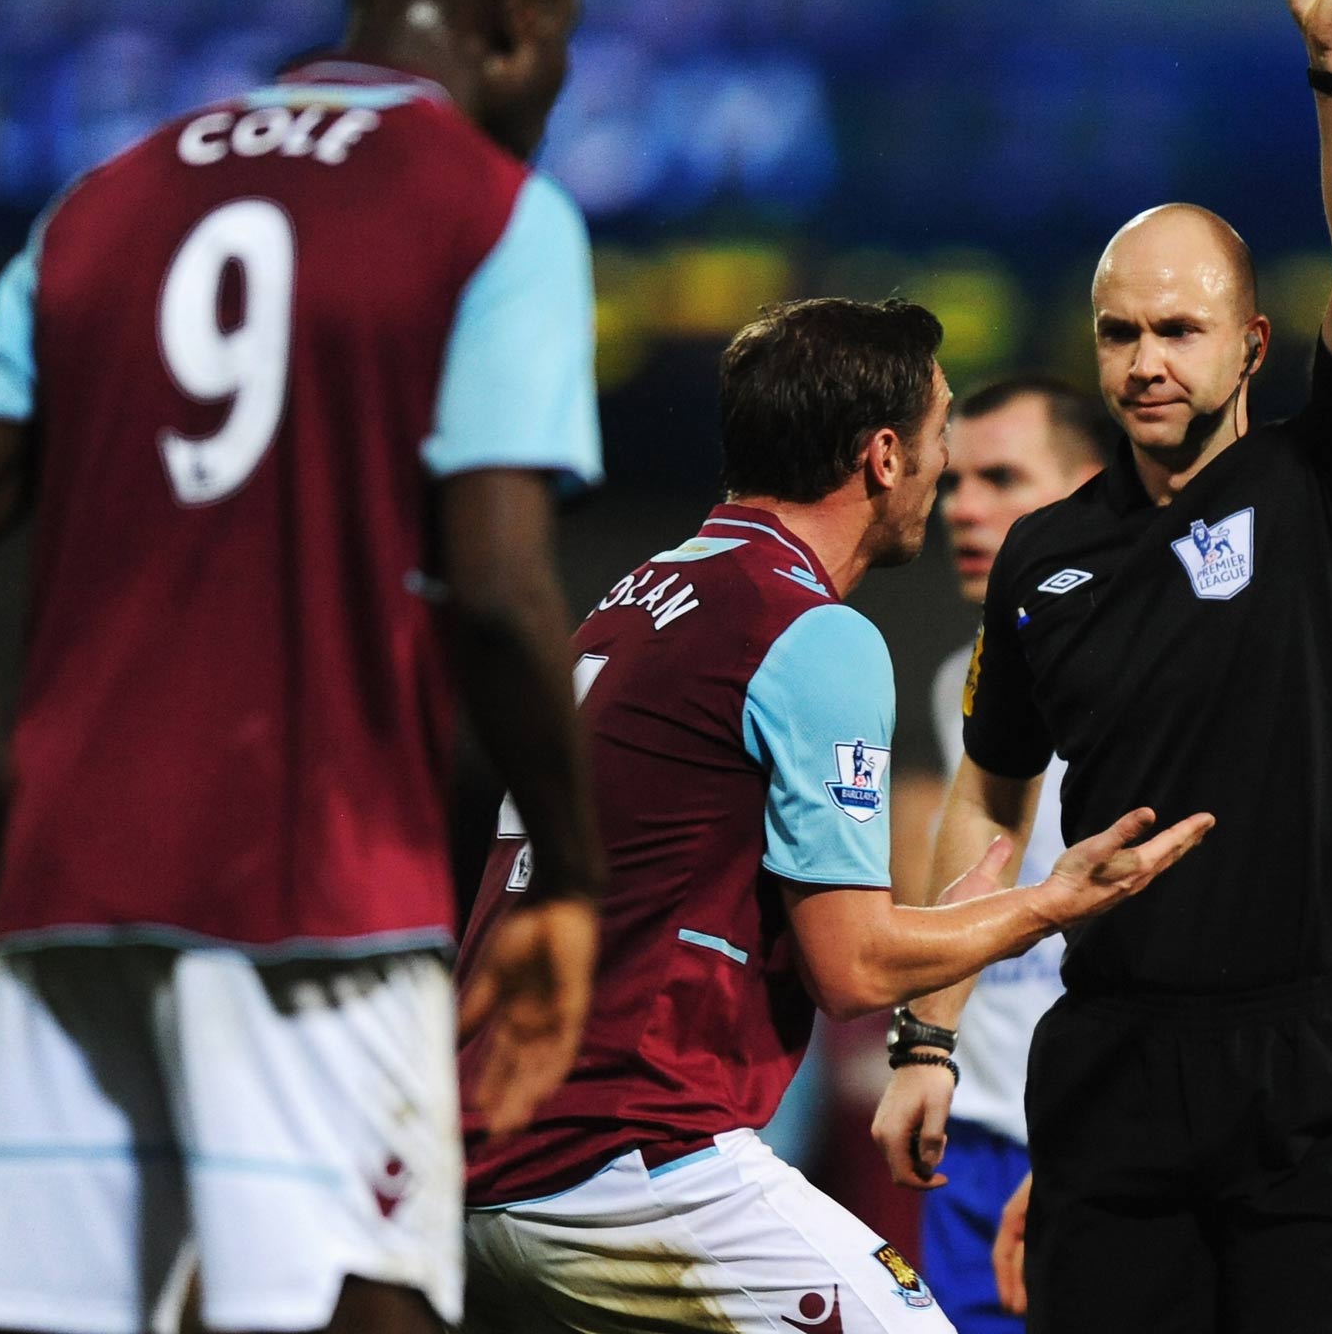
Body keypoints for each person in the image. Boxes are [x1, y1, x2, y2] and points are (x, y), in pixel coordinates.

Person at [0, 0, 608, 1334]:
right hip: (322, 901)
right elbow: (493, 588)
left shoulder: (100, 201)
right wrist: (575, 873)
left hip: (66, 904)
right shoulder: (492, 213)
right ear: (521, 15)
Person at [883, 0, 1332, 1332]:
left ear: (1251, 342)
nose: (1145, 360)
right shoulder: (1045, 558)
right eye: (1120, 330)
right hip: (1115, 1068)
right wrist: (928, 1032)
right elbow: (990, 804)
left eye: (1179, 328)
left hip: (1319, 1062)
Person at [454, 297, 1213, 1334]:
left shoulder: (638, 597)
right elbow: (852, 966)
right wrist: (1051, 901)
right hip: (625, 1158)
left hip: (481, 1167)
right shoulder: (808, 629)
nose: (949, 479)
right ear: (885, 455)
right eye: (947, 438)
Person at [869, 375, 1109, 1334]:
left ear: (1092, 488)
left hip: (1098, 1128)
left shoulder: (1164, 669)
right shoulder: (949, 680)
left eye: (1003, 477)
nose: (966, 507)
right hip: (968, 1130)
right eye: (957, 479)